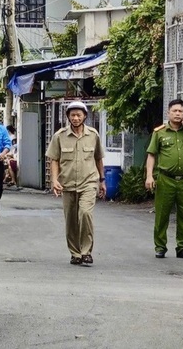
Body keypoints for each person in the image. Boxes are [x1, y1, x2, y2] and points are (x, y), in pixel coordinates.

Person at [46, 101, 106, 265]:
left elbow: (98, 158)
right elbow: (54, 160)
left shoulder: (93, 135)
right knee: (71, 220)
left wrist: (102, 180)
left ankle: (86, 251)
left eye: (79, 115)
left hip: (89, 183)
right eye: (72, 115)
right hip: (68, 183)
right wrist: (54, 180)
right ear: (68, 117)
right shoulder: (59, 136)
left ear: (85, 116)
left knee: (85, 214)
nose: (76, 118)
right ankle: (75, 253)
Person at [145, 99, 183, 259]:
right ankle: (160, 246)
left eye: (181, 111)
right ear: (169, 113)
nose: (178, 114)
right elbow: (151, 155)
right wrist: (149, 176)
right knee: (162, 214)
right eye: (175, 111)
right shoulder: (160, 132)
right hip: (166, 179)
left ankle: (182, 247)